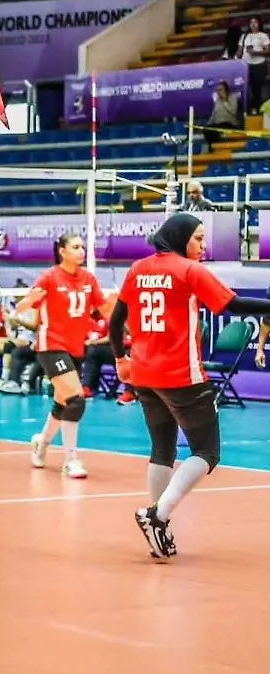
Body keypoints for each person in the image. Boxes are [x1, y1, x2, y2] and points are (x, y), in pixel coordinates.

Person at [110, 213, 270, 559]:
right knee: (207, 451)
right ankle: (157, 514)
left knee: (162, 449)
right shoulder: (188, 270)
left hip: (143, 375)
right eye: (198, 238)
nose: (203, 244)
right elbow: (232, 304)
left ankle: (156, 526)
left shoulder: (138, 269)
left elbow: (115, 321)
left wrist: (120, 358)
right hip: (182, 375)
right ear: (181, 238)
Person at [13, 233, 109, 479]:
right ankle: (70, 460)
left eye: (82, 247)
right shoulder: (50, 277)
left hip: (76, 348)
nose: (81, 251)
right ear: (62, 251)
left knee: (63, 402)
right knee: (76, 399)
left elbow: (105, 310)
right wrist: (28, 301)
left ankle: (41, 443)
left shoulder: (88, 279)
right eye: (75, 247)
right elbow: (22, 307)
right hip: (51, 346)